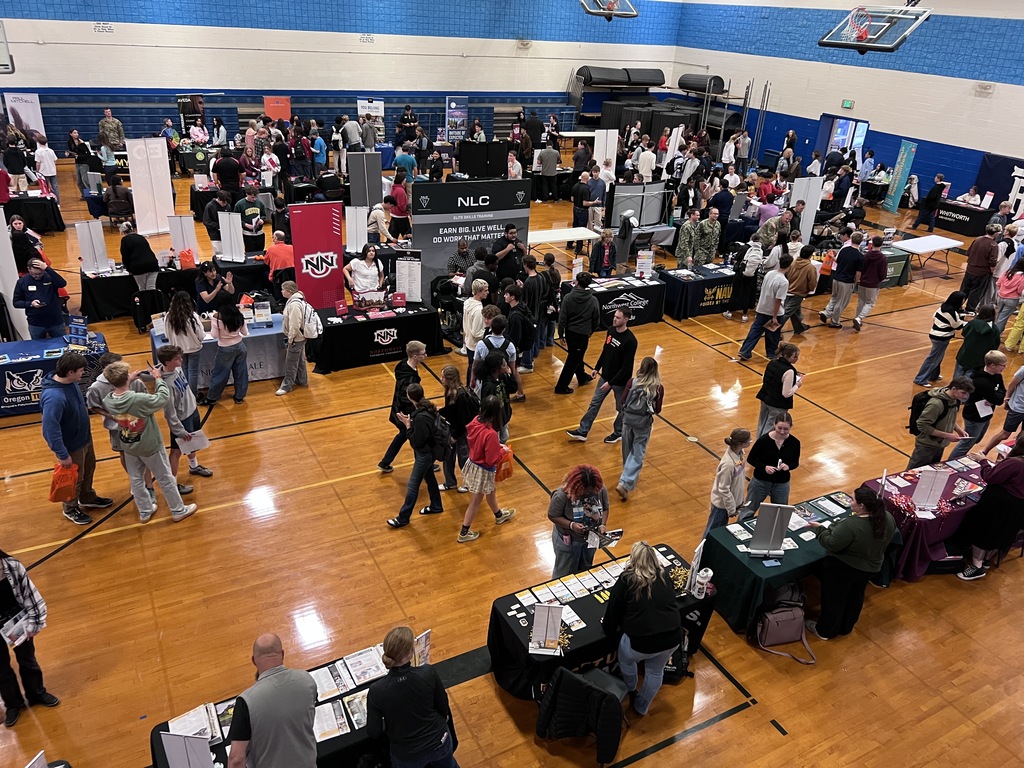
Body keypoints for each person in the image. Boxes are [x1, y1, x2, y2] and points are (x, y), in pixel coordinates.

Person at [101, 361, 198, 524]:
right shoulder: (138, 399)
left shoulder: (109, 399)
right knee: (165, 477)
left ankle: (145, 511)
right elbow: (162, 398)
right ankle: (178, 510)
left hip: (129, 443)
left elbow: (120, 392)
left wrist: (128, 380)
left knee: (136, 478)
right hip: (149, 444)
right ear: (125, 378)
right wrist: (158, 379)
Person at [601, 540, 681, 717]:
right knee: (655, 671)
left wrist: (608, 629)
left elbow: (613, 611)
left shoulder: (627, 580)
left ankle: (630, 689)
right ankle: (642, 707)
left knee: (627, 660)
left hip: (640, 644)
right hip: (672, 639)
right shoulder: (664, 575)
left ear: (633, 560)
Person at [805, 487, 896, 640]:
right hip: (870, 568)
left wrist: (820, 530)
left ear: (861, 506)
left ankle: (825, 631)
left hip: (844, 569)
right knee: (856, 596)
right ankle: (846, 627)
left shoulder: (852, 525)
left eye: (852, 499)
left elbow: (832, 544)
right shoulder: (887, 517)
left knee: (834, 599)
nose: (849, 501)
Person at [366, 626, 457, 768]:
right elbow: (443, 706)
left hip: (406, 755)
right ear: (410, 654)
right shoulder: (427, 673)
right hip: (439, 741)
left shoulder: (376, 690)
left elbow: (374, 731)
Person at [40, 352, 113, 526]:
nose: (83, 374)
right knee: (75, 478)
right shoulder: (54, 397)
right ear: (70, 372)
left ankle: (87, 497)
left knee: (89, 469)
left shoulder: (70, 383)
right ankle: (70, 508)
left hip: (84, 438)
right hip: (71, 446)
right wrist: (62, 454)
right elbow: (50, 429)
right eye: (81, 371)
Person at [226, 633, 317, 768]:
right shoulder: (307, 680)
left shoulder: (245, 702)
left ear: (253, 660)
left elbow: (236, 759)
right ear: (282, 654)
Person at [0, 549, 60, 727]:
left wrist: (34, 623)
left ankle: (36, 693)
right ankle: (13, 705)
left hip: (20, 623)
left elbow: (30, 595)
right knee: (1, 669)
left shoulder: (12, 567)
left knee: (28, 660)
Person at [956, 438, 1024, 581]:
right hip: (1018, 507)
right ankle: (986, 560)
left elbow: (990, 476)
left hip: (999, 504)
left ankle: (976, 566)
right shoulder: (1016, 463)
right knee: (999, 533)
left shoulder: (1015, 463)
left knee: (983, 531)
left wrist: (983, 460)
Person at [567, 309, 636, 444]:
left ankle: (618, 432)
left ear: (626, 319)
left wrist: (611, 383)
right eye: (614, 316)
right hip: (606, 377)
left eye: (618, 317)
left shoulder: (630, 341)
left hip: (620, 382)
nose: (614, 319)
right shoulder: (610, 330)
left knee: (621, 409)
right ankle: (583, 431)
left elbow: (626, 368)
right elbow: (606, 350)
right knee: (594, 404)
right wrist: (597, 368)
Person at [456, 395, 515, 543]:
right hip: (483, 470)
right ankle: (464, 532)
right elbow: (491, 459)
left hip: (473, 463)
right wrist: (503, 451)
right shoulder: (491, 434)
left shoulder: (476, 421)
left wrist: (496, 447)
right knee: (475, 502)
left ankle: (499, 515)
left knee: (491, 491)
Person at [155, 345, 212, 493]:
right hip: (181, 420)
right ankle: (172, 484)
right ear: (167, 362)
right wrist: (179, 430)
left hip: (192, 411)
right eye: (177, 358)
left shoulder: (177, 369)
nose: (181, 360)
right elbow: (169, 413)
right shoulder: (165, 386)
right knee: (176, 452)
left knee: (192, 443)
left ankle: (194, 466)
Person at [387, 384, 444, 528]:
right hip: (429, 453)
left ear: (409, 397)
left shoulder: (420, 417)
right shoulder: (426, 409)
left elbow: (416, 441)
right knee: (430, 478)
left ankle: (403, 517)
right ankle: (436, 505)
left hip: (424, 455)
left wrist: (408, 425)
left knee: (413, 485)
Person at [615, 356, 664, 502]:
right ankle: (625, 482)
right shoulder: (658, 388)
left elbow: (623, 400)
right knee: (637, 453)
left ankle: (626, 479)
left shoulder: (632, 382)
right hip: (643, 423)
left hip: (627, 420)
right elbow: (658, 409)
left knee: (627, 450)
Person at [548, 464, 610, 579]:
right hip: (568, 541)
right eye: (586, 493)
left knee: (586, 569)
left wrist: (602, 524)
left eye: (592, 492)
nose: (590, 494)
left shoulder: (600, 489)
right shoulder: (561, 495)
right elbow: (553, 515)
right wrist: (571, 525)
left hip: (590, 539)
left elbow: (605, 508)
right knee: (564, 572)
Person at [948, 351, 1007, 460]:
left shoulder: (997, 375)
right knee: (966, 443)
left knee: (977, 439)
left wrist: (996, 397)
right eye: (1003, 365)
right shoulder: (982, 381)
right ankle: (951, 463)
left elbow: (1003, 390)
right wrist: (996, 398)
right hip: (974, 417)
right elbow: (998, 399)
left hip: (986, 414)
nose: (1005, 367)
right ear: (992, 365)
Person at [378, 341, 426, 473]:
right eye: (423, 354)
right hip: (406, 413)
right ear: (415, 356)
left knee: (403, 436)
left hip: (400, 410)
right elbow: (406, 399)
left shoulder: (404, 365)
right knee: (417, 437)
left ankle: (385, 462)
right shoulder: (409, 379)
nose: (425, 356)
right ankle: (423, 464)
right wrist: (413, 416)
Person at [906, 376, 973, 469]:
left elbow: (949, 418)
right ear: (954, 389)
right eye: (963, 393)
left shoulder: (954, 400)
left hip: (940, 444)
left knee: (931, 472)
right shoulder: (936, 404)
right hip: (926, 446)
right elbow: (922, 425)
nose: (965, 396)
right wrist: (947, 435)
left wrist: (959, 430)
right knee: (912, 474)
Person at [737, 253, 792, 361]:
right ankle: (771, 354)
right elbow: (778, 300)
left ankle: (745, 351)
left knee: (755, 331)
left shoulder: (770, 273)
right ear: (790, 265)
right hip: (773, 311)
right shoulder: (784, 281)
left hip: (762, 308)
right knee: (773, 334)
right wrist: (775, 316)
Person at [555, 272, 601, 394]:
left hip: (570, 333)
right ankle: (561, 386)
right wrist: (591, 331)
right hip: (583, 334)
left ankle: (581, 377)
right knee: (573, 359)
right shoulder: (593, 300)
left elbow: (562, 318)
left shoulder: (568, 297)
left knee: (576, 356)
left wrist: (561, 334)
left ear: (576, 282)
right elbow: (596, 319)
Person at [745, 411, 800, 512]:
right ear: (774, 424)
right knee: (748, 510)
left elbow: (795, 463)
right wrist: (764, 467)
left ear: (791, 426)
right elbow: (751, 459)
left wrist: (788, 467)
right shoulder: (763, 441)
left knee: (781, 511)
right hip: (761, 481)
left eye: (786, 429)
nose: (782, 432)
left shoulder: (795, 443)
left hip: (782, 483)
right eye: (779, 428)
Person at [702, 428, 753, 537]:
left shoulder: (739, 454)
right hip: (722, 507)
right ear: (741, 443)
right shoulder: (728, 464)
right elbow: (724, 489)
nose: (751, 441)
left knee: (718, 533)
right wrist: (731, 508)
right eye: (749, 440)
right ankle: (702, 553)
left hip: (729, 504)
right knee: (711, 534)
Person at [912, 291, 967, 386]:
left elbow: (934, 317)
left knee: (938, 357)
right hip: (941, 338)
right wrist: (968, 323)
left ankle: (933, 375)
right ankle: (920, 379)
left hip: (934, 334)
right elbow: (957, 326)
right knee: (933, 359)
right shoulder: (952, 313)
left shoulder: (943, 307)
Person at [200, 304, 250, 406]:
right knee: (241, 372)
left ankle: (212, 398)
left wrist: (213, 320)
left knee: (220, 374)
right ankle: (239, 397)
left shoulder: (217, 320)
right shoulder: (239, 316)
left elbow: (214, 335)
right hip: (240, 346)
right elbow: (244, 333)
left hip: (225, 349)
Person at [13, 258, 67, 340]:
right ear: (29, 269)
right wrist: (31, 304)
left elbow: (62, 283)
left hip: (55, 321)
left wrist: (47, 268)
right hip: (36, 323)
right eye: (34, 274)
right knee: (37, 347)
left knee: (62, 343)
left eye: (40, 273)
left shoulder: (49, 277)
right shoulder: (22, 282)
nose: (37, 276)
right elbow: (16, 303)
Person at [819, 231, 864, 329]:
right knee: (842, 302)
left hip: (836, 278)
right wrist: (855, 283)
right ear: (861, 241)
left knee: (834, 297)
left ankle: (826, 313)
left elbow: (837, 261)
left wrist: (832, 257)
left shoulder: (844, 250)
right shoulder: (860, 256)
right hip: (847, 281)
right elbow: (858, 273)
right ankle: (834, 322)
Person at [756, 343, 802, 439]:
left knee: (762, 423)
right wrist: (797, 385)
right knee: (770, 428)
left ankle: (758, 443)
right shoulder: (789, 371)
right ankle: (762, 448)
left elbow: (764, 378)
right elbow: (786, 393)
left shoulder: (772, 362)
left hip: (765, 397)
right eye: (795, 357)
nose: (797, 359)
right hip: (777, 403)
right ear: (787, 356)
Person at [163, 291, 205, 396]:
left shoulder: (168, 317)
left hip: (178, 349)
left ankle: (187, 394)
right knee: (193, 372)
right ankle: (193, 394)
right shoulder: (193, 316)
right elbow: (200, 334)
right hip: (194, 348)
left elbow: (167, 334)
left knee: (184, 370)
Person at [851, 236, 889, 331]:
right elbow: (883, 273)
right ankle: (859, 318)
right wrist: (878, 280)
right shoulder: (883, 258)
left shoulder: (866, 255)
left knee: (861, 302)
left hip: (863, 282)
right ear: (881, 244)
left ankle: (857, 318)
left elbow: (861, 268)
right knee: (870, 303)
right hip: (873, 284)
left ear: (872, 244)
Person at [961, 224, 1001, 313]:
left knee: (964, 289)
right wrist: (992, 271)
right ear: (995, 234)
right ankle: (969, 309)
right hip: (982, 273)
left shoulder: (977, 239)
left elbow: (968, 252)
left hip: (970, 269)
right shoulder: (993, 245)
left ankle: (958, 306)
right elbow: (992, 261)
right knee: (976, 292)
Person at [954, 304, 1000, 379]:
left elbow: (964, 333)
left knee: (957, 376)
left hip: (964, 354)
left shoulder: (972, 323)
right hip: (979, 360)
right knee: (967, 382)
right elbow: (995, 346)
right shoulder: (994, 330)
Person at [781, 244, 817, 334]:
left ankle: (799, 328)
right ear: (810, 255)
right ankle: (774, 329)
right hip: (798, 293)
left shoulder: (793, 262)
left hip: (788, 290)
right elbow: (812, 282)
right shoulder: (810, 267)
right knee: (786, 313)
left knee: (796, 313)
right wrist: (810, 289)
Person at [118, 222, 159, 291]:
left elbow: (125, 257)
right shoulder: (141, 237)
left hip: (138, 266)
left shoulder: (125, 240)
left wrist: (129, 270)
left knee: (142, 289)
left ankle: (144, 302)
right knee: (151, 288)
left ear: (123, 232)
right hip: (153, 264)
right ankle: (153, 301)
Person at [234, 185, 267, 252]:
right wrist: (245, 224)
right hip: (248, 233)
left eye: (255, 197)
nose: (254, 199)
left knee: (260, 251)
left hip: (259, 233)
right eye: (252, 197)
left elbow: (264, 215)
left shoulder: (259, 203)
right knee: (250, 252)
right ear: (247, 194)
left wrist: (262, 220)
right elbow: (236, 219)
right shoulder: (239, 204)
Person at [995, 260, 1024, 336]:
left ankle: (995, 332)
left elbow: (998, 283)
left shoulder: (1007, 272)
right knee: (1003, 318)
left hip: (1000, 297)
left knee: (998, 315)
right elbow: (1019, 290)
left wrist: (1003, 290)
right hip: (1012, 300)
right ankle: (996, 335)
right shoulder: (1022, 277)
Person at [66, 128, 92, 196]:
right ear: (70, 134)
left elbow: (87, 154)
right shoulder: (70, 143)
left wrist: (78, 156)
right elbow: (73, 153)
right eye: (74, 133)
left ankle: (91, 193)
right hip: (78, 162)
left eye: (77, 133)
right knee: (79, 181)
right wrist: (69, 155)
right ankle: (84, 194)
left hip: (84, 162)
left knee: (85, 179)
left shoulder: (81, 143)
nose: (76, 134)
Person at [33, 135, 59, 203]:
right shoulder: (51, 150)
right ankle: (57, 202)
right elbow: (55, 160)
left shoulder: (38, 152)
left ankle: (49, 201)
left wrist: (37, 171)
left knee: (45, 187)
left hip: (43, 172)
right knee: (55, 187)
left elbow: (38, 163)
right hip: (52, 171)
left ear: (38, 142)